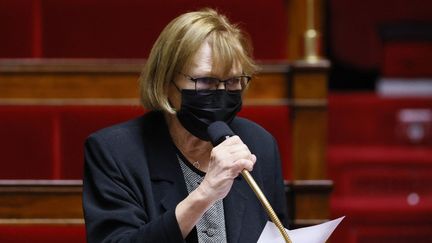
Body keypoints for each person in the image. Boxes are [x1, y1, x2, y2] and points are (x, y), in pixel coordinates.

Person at [83, 8, 287, 243]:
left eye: (232, 82)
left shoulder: (259, 144)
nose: (221, 93)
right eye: (206, 81)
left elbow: (279, 233)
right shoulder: (115, 152)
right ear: (166, 82)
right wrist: (203, 195)